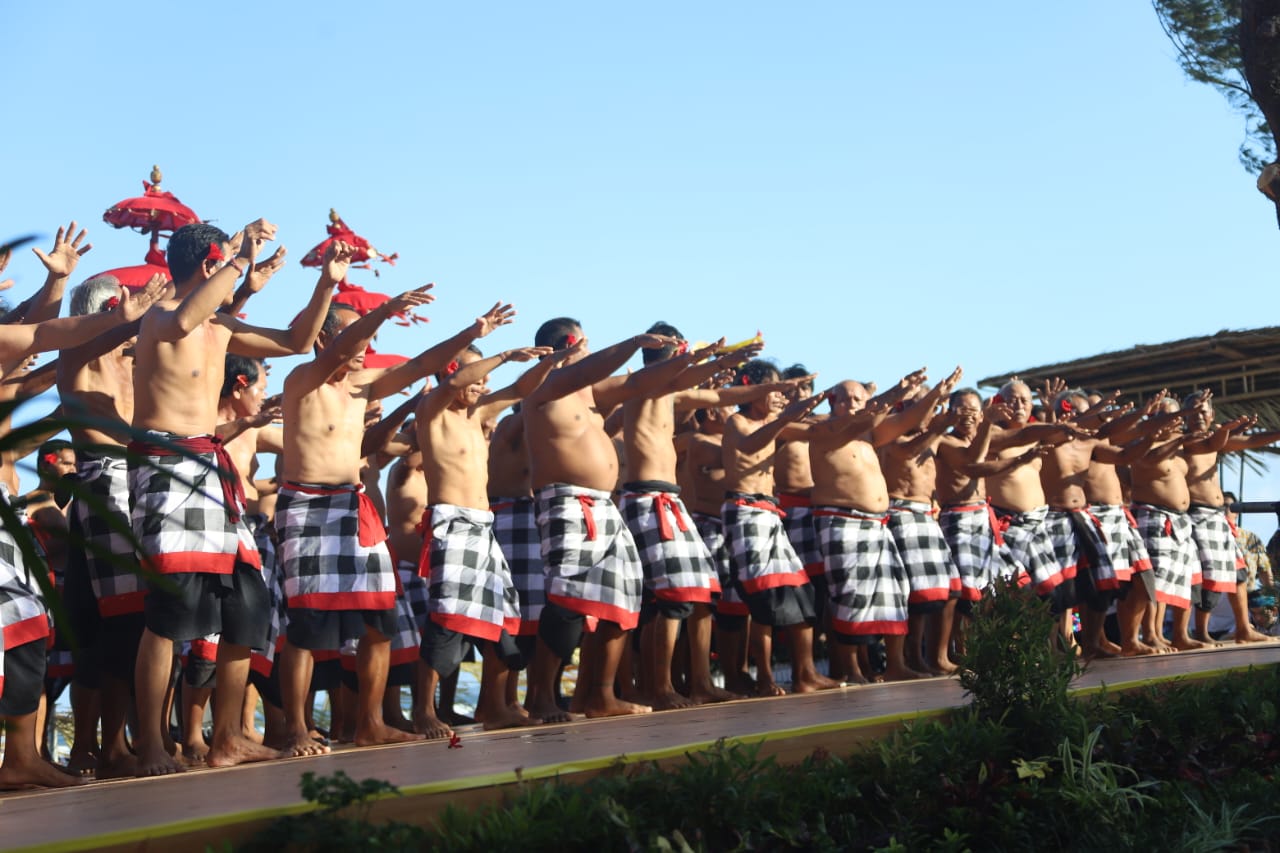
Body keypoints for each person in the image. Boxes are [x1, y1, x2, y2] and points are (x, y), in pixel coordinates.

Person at [128, 219, 336, 776]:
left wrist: (326, 286)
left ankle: (228, 739)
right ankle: (151, 742)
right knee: (171, 610)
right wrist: (242, 259)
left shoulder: (220, 327)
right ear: (210, 262)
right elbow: (186, 317)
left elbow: (294, 343)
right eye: (224, 262)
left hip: (214, 476)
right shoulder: (160, 321)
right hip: (168, 465)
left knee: (247, 606)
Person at [276, 288, 505, 757]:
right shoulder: (304, 379)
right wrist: (382, 312)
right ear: (325, 341)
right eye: (355, 341)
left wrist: (472, 333)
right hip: (308, 506)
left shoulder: (362, 387)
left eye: (366, 344)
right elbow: (341, 350)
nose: (363, 351)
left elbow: (422, 366)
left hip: (355, 508)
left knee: (381, 622)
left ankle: (371, 723)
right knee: (308, 625)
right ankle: (296, 730)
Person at [520, 318, 679, 721]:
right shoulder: (540, 386)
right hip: (567, 503)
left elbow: (644, 383)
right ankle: (540, 697)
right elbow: (594, 369)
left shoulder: (588, 392)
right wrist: (632, 343)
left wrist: (692, 361)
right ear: (571, 345)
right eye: (585, 343)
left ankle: (599, 696)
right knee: (567, 603)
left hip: (605, 506)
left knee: (620, 600)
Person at [413, 335, 553, 737]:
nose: (485, 385)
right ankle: (425, 710)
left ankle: (494, 707)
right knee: (447, 618)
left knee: (501, 618)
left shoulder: (477, 415)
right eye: (479, 376)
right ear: (454, 371)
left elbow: (522, 389)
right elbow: (455, 386)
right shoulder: (432, 410)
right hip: (452, 524)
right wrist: (504, 353)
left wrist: (552, 361)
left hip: (485, 526)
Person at [722, 359, 835, 695]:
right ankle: (765, 678)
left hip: (771, 515)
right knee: (765, 596)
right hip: (745, 512)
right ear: (755, 391)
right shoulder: (736, 422)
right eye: (775, 390)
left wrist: (856, 416)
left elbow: (817, 432)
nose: (780, 396)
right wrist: (786, 417)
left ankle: (806, 674)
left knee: (800, 592)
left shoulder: (774, 422)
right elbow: (751, 444)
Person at [807, 374, 924, 683]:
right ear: (832, 401)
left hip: (878, 525)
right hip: (840, 520)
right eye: (845, 398)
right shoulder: (822, 431)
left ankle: (895, 665)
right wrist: (897, 392)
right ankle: (852, 669)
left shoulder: (870, 434)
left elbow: (907, 419)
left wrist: (934, 394)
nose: (853, 404)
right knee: (850, 595)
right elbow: (865, 420)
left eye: (858, 399)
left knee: (895, 592)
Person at [880, 368, 964, 675]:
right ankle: (909, 658)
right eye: (916, 404)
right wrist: (935, 430)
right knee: (916, 595)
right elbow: (905, 453)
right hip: (901, 513)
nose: (923, 409)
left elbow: (971, 461)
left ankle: (939, 657)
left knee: (951, 591)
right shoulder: (892, 434)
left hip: (929, 516)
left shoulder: (937, 435)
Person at [1181, 390, 1280, 644]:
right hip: (1194, 515)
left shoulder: (1215, 442)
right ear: (1184, 416)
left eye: (1203, 411)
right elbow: (1226, 440)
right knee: (1205, 575)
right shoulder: (1181, 442)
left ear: (1212, 414)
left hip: (1218, 517)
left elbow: (1249, 441)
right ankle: (1201, 632)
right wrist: (1226, 431)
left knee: (1238, 571)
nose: (1199, 416)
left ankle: (1243, 627)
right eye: (1193, 411)